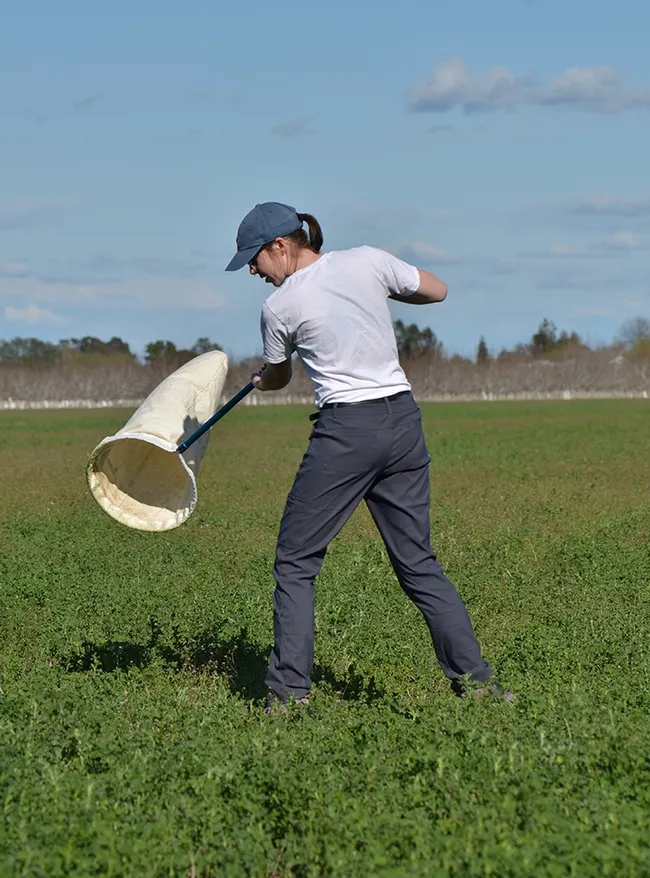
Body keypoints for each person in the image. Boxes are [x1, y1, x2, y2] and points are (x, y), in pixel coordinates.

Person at [225, 201, 512, 711]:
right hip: (402, 422)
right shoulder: (365, 261)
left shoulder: (279, 308)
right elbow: (436, 290)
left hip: (347, 433)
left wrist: (261, 378)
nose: (253, 270)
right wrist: (378, 294)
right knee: (418, 562)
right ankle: (481, 688)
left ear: (281, 247)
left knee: (295, 561)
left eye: (255, 258)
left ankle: (289, 695)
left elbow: (279, 376)